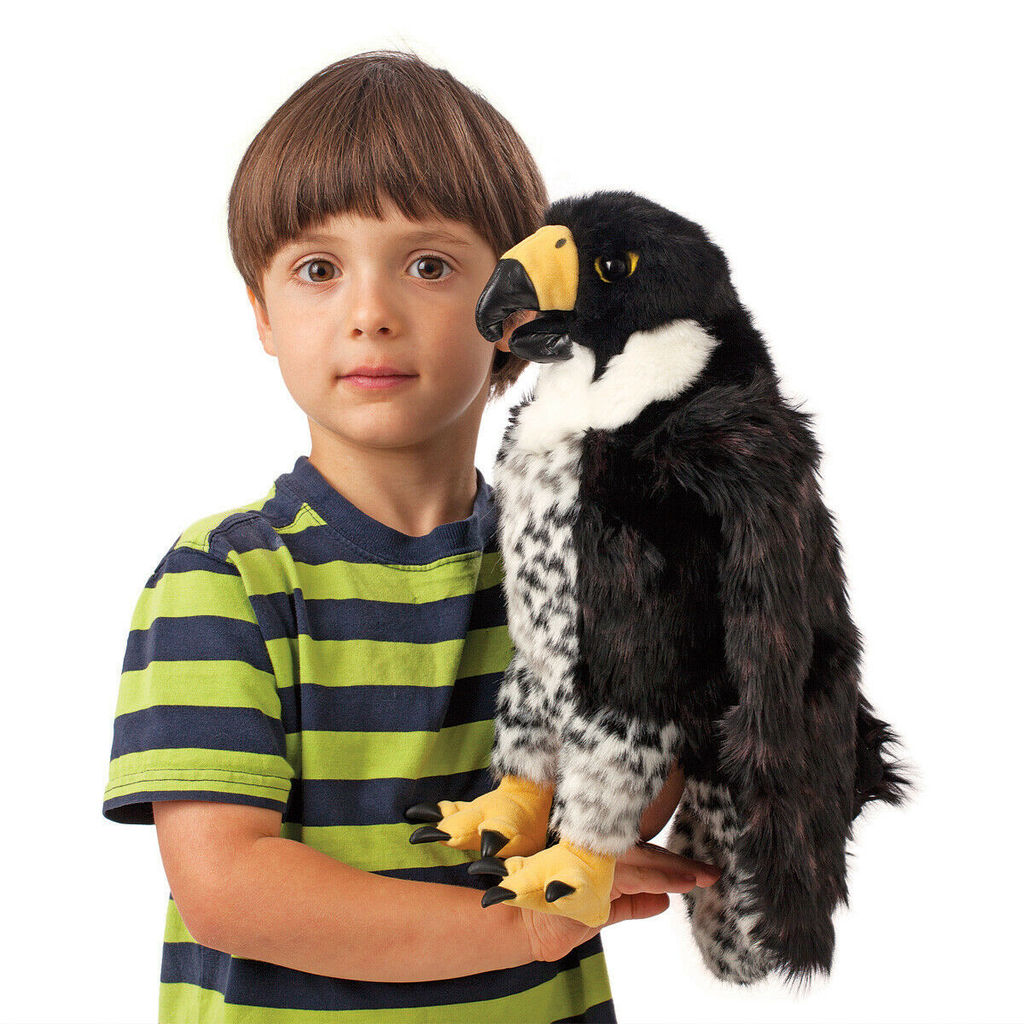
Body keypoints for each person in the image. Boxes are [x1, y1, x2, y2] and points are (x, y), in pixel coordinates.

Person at [102, 49, 720, 1023]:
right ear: (263, 315)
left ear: (515, 313)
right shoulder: (224, 578)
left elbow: (615, 809)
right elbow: (229, 888)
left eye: (428, 266)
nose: (371, 314)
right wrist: (521, 929)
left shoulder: (578, 562)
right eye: (318, 269)